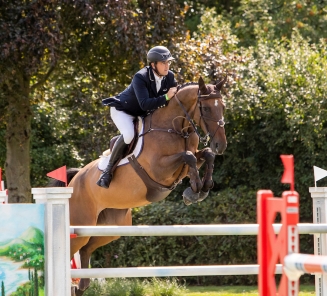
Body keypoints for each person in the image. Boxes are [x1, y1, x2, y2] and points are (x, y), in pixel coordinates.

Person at [96, 46, 178, 188]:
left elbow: (174, 98)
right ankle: (107, 171)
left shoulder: (169, 76)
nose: (167, 66)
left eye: (168, 62)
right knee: (129, 135)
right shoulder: (140, 77)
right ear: (153, 65)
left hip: (142, 113)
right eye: (163, 63)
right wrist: (165, 96)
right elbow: (145, 104)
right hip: (123, 111)